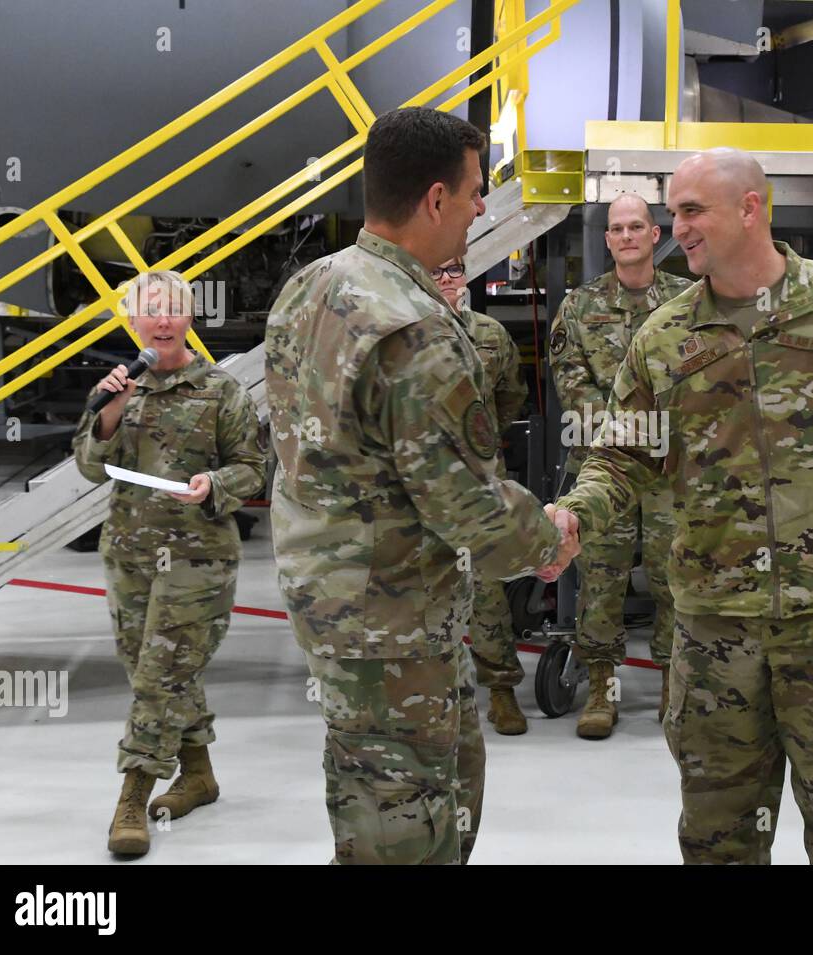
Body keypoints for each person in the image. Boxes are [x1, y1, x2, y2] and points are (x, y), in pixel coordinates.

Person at [546, 148, 813, 864]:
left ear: (750, 209)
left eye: (690, 211)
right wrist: (576, 514)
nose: (677, 229)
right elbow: (620, 456)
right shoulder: (666, 338)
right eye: (672, 213)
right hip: (715, 625)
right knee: (718, 833)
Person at [264, 106, 576, 865]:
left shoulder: (309, 288)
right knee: (403, 826)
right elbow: (470, 508)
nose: (478, 210)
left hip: (336, 601)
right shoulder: (416, 330)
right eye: (474, 193)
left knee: (408, 786)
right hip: (393, 618)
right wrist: (549, 537)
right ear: (435, 200)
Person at [73, 269, 265, 857]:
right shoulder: (114, 388)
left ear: (188, 317)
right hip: (130, 552)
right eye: (150, 310)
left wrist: (214, 483)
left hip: (199, 558)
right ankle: (199, 772)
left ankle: (132, 795)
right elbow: (86, 464)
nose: (162, 320)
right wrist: (111, 411)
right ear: (131, 320)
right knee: (153, 671)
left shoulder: (220, 389)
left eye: (172, 309)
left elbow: (253, 468)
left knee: (159, 676)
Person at [549, 194, 693, 738]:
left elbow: (698, 381)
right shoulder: (580, 308)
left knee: (672, 574)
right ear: (606, 240)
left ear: (655, 235)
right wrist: (629, 429)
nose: (627, 236)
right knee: (601, 576)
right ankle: (602, 687)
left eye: (637, 226)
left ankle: (669, 683)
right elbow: (571, 382)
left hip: (668, 470)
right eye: (617, 228)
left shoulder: (687, 303)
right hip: (603, 466)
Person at [432, 255, 532, 736]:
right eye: (435, 273)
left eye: (453, 271)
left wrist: (483, 438)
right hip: (422, 484)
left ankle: (501, 689)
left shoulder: (491, 336)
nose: (446, 281)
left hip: (481, 478)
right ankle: (433, 693)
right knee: (425, 586)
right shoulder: (406, 336)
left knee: (489, 588)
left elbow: (512, 395)